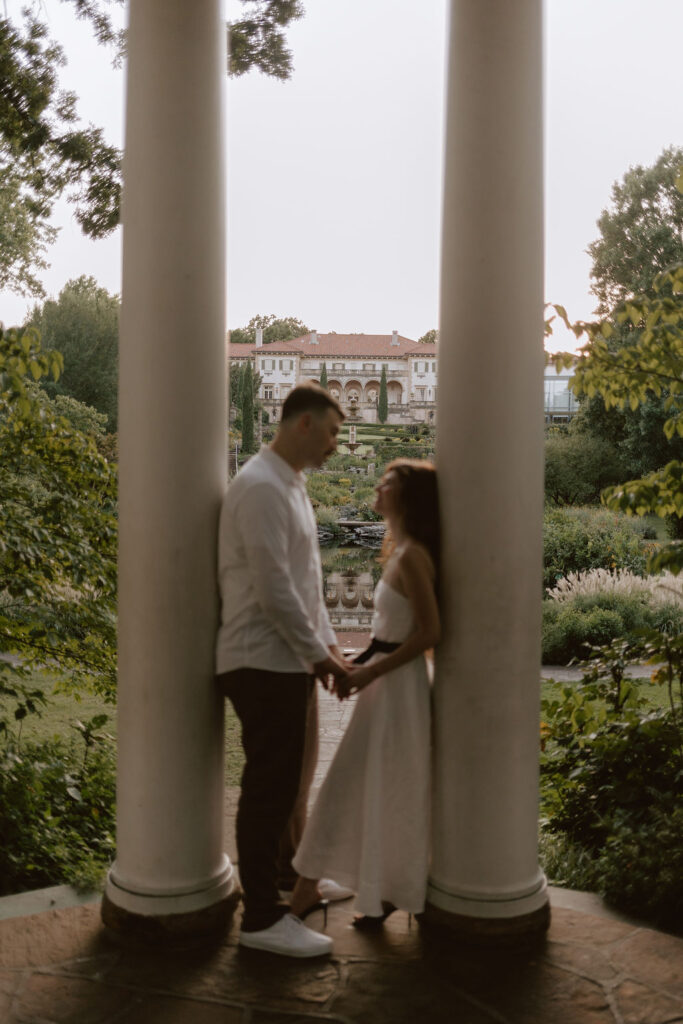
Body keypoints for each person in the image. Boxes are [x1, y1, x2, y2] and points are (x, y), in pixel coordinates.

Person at [216, 383, 350, 958]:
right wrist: (320, 655)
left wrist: (328, 649)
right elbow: (273, 591)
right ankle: (262, 921)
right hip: (260, 659)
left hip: (287, 659)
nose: (336, 445)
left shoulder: (290, 485)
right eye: (332, 431)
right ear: (302, 424)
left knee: (289, 782)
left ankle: (284, 880)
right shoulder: (261, 487)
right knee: (268, 788)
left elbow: (308, 587)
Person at [290, 459, 440, 927]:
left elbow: (430, 632)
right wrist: (355, 663)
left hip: (398, 690)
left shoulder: (414, 555)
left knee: (365, 784)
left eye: (388, 482)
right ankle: (375, 890)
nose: (378, 485)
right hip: (385, 683)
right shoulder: (399, 550)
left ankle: (310, 892)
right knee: (370, 784)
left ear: (408, 498)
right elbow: (387, 632)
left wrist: (369, 674)